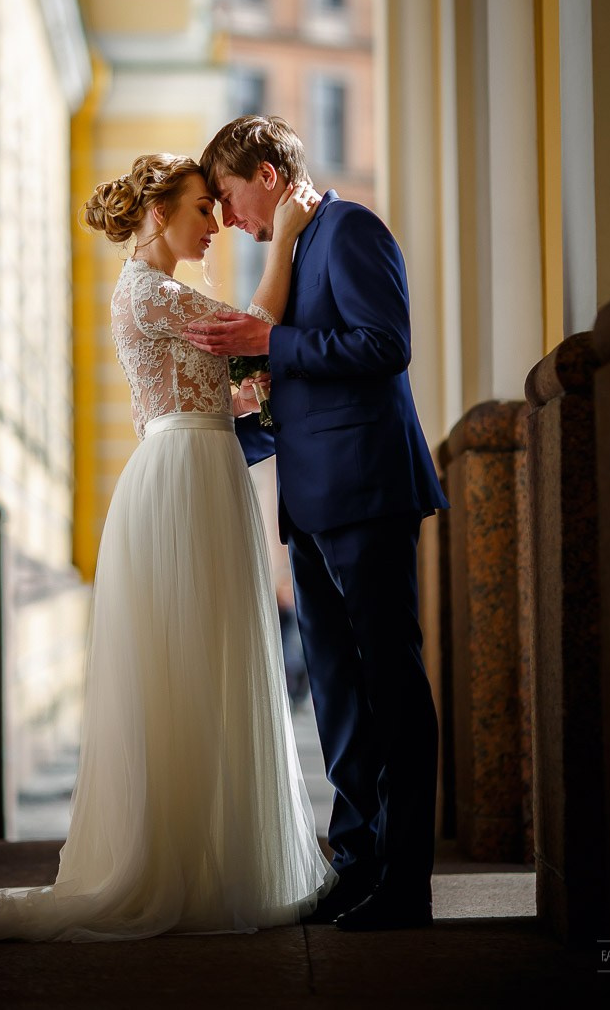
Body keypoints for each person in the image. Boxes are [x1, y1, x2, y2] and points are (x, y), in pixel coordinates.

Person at [0, 153, 334, 942]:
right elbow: (249, 345)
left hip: (204, 471)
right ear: (157, 215)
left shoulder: (162, 293)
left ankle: (221, 860)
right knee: (183, 665)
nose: (214, 224)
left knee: (214, 662)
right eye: (199, 208)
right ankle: (178, 866)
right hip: (181, 479)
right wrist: (282, 241)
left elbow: (240, 385)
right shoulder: (150, 292)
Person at [186, 116, 449, 932]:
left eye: (227, 198)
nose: (225, 219)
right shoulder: (294, 248)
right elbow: (295, 373)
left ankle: (406, 883)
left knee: (390, 684)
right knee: (337, 693)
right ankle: (357, 864)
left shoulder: (351, 228)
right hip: (307, 502)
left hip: (368, 490)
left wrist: (274, 342)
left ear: (264, 175)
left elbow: (385, 342)